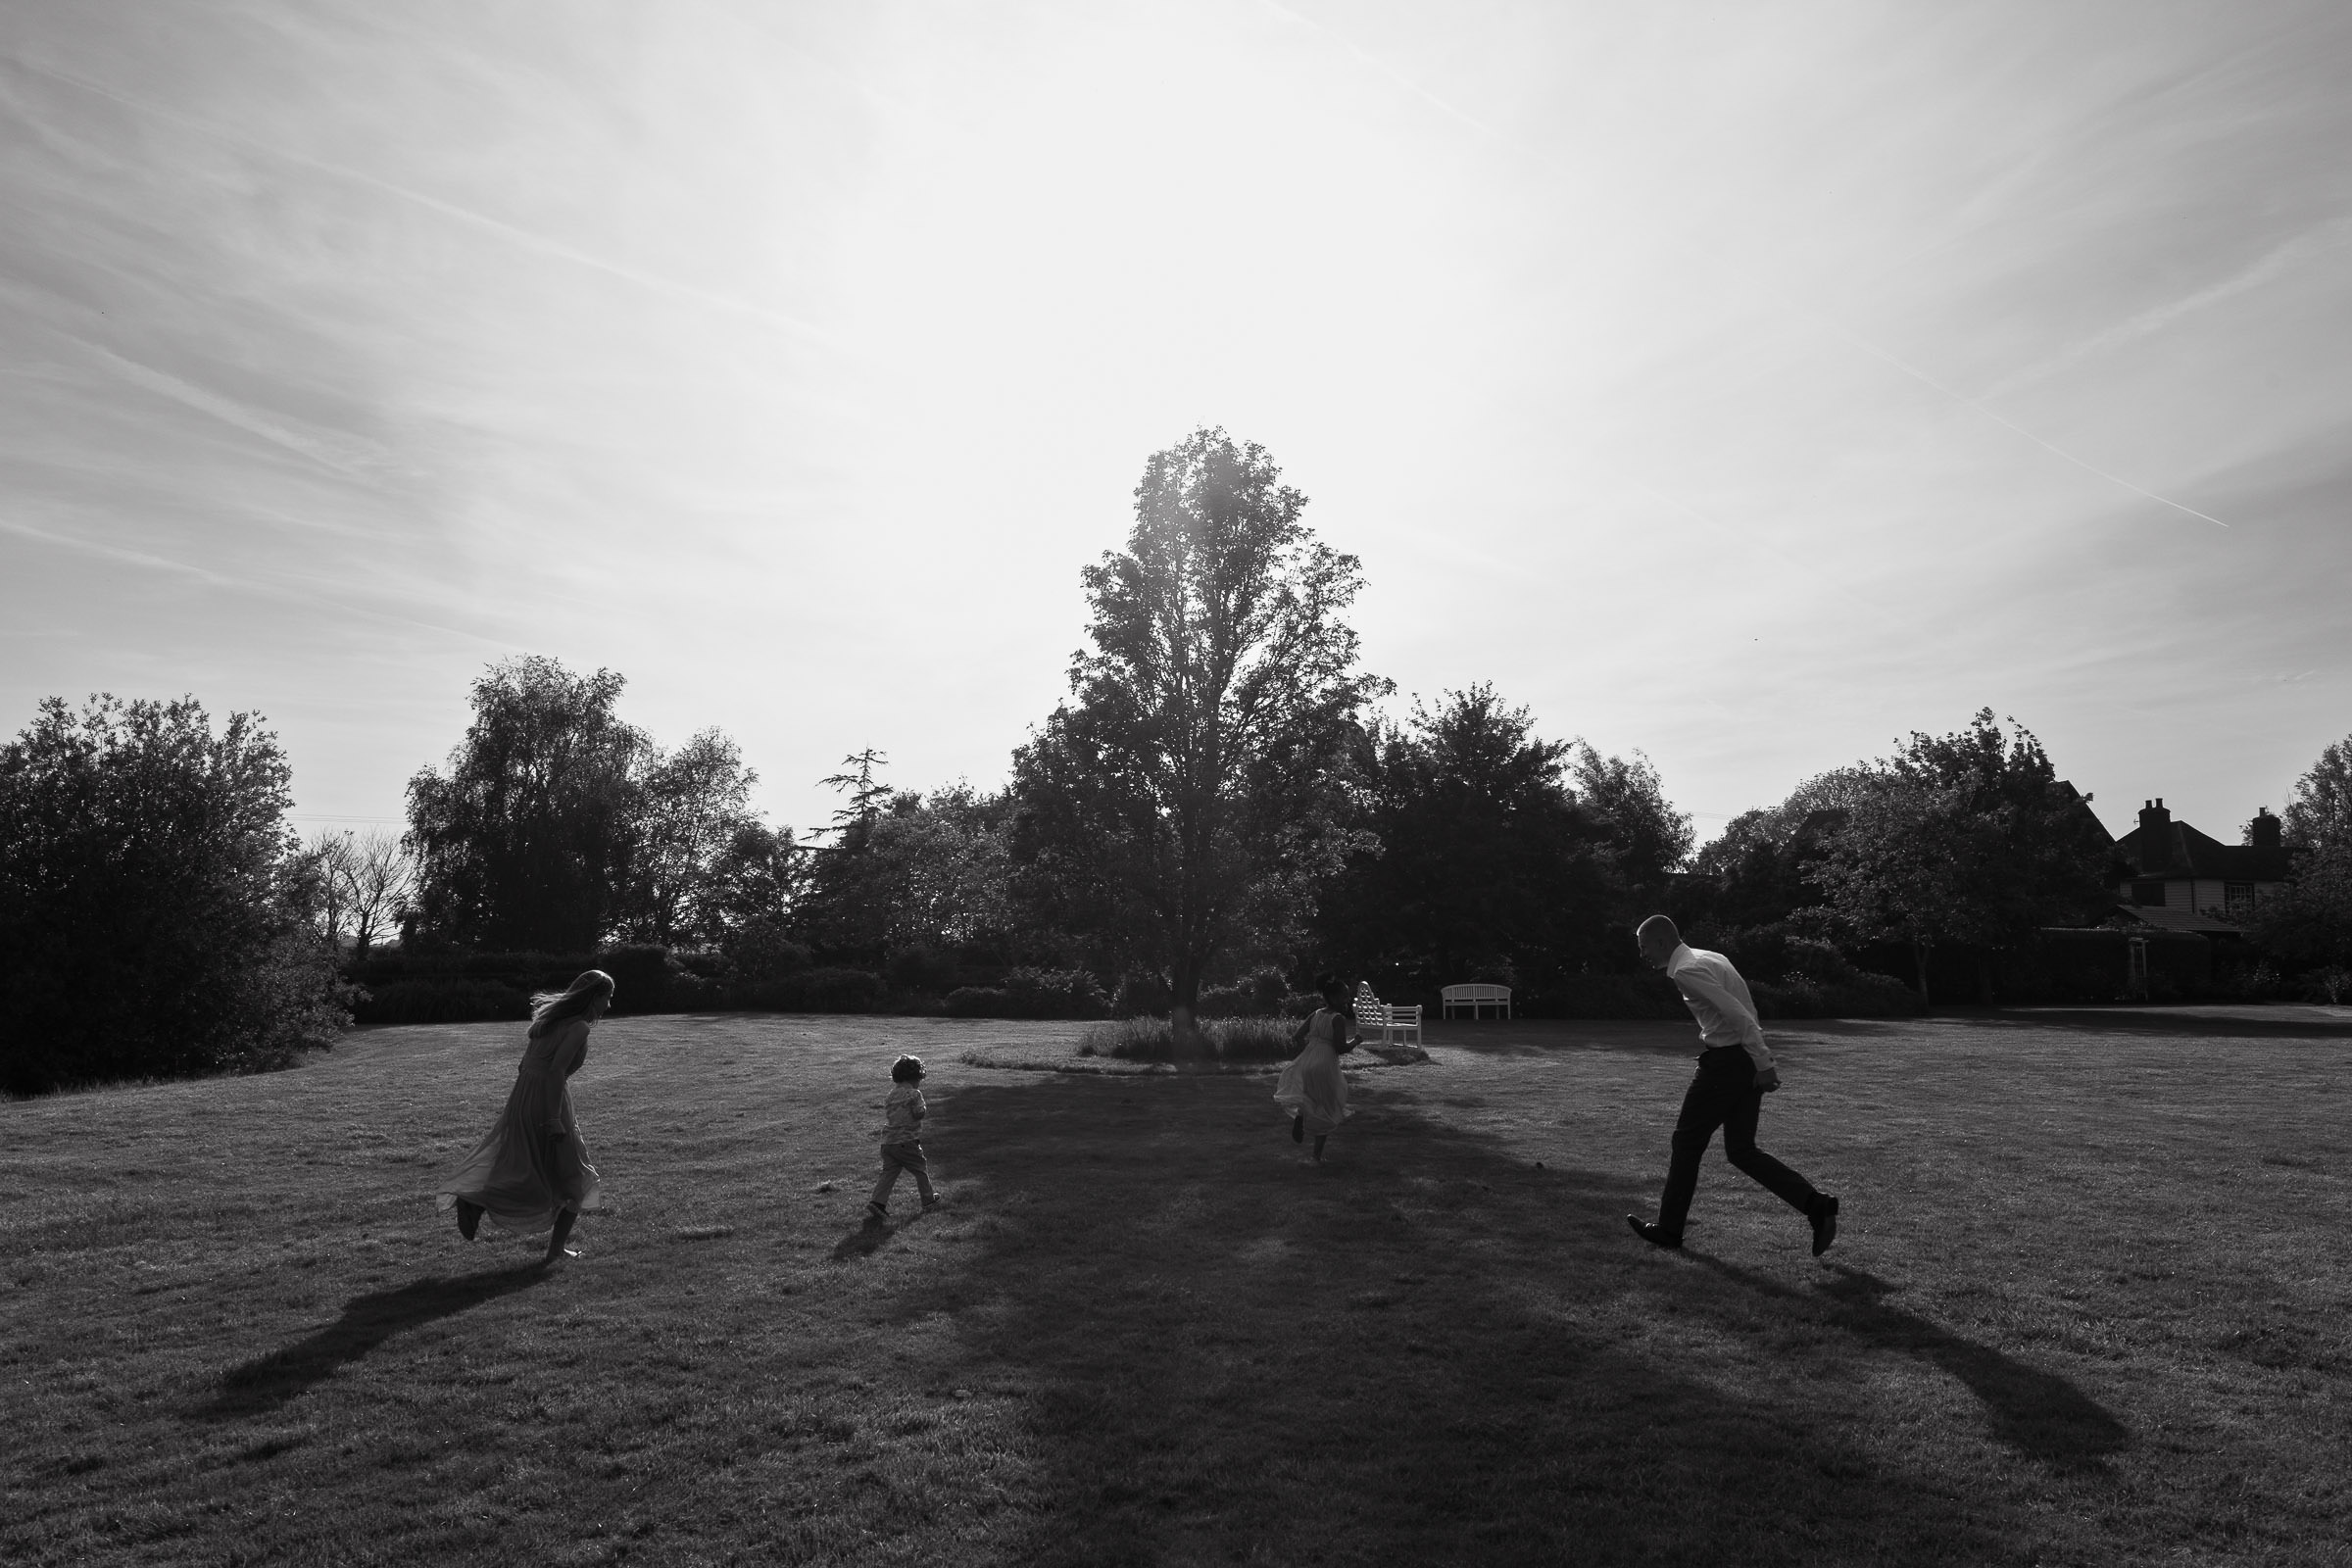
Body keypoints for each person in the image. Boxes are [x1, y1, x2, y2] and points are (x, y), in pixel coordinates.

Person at [1624, 917, 1839, 1256]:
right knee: (1741, 1151)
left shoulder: (1686, 970)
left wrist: (1764, 1063)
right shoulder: (1709, 956)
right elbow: (1746, 1010)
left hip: (1726, 1064)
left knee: (1686, 1142)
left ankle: (1669, 1230)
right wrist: (1756, 1060)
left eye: (1644, 947)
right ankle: (1816, 1205)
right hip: (1741, 1061)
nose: (1642, 954)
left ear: (1662, 941)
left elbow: (1738, 1015)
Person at [439, 969, 613, 1266]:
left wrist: (526, 1105)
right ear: (593, 997)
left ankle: (479, 1202)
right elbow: (556, 1071)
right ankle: (478, 1202)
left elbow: (524, 1066)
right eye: (607, 998)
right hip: (549, 1102)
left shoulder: (548, 1021)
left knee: (531, 1167)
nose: (609, 1005)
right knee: (575, 1178)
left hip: (524, 1098)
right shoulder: (579, 1027)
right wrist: (553, 1118)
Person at [1275, 976, 1357, 1163]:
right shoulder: (1338, 1019)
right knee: (1326, 1108)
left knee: (1310, 1096)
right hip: (1325, 1064)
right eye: (1344, 996)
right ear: (1334, 998)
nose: (1347, 1000)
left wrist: (1312, 1046)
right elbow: (1340, 1048)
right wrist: (1356, 1041)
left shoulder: (1316, 1014)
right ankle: (1316, 1157)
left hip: (1308, 1060)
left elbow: (1296, 1036)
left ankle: (1300, 1116)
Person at [867, 1054, 941, 1224]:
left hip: (888, 1142)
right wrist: (923, 1110)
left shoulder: (891, 1095)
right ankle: (928, 1200)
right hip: (906, 1141)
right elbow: (918, 1114)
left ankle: (877, 1202)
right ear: (915, 1077)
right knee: (920, 1168)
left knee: (889, 1172)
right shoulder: (914, 1094)